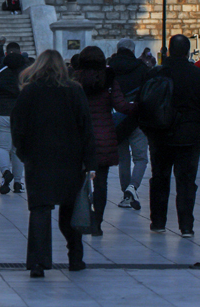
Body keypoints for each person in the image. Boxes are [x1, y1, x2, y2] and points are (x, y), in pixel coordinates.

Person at [12, 49, 94, 277]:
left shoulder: (30, 92)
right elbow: (86, 128)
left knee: (40, 210)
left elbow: (17, 125)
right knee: (70, 210)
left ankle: (38, 262)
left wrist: (23, 152)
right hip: (70, 159)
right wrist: (90, 161)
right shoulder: (74, 91)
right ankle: (75, 258)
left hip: (38, 160)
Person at [147, 34, 200, 238]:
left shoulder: (155, 74)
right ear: (187, 52)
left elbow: (145, 105)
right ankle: (186, 226)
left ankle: (158, 222)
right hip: (189, 135)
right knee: (186, 182)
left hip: (160, 134)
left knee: (160, 179)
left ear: (168, 51)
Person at [74, 46, 135, 236]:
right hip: (103, 136)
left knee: (78, 181)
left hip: (79, 136)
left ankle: (80, 219)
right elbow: (121, 106)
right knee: (101, 183)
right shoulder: (109, 80)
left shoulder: (74, 80)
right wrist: (141, 105)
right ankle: (97, 223)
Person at [109, 38, 151, 211]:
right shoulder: (141, 68)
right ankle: (132, 188)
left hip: (116, 117)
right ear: (133, 51)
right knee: (141, 157)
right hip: (137, 117)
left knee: (123, 158)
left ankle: (125, 194)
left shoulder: (109, 69)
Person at [0, 42, 27, 195]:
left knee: (2, 147)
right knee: (17, 150)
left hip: (2, 113)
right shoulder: (27, 70)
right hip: (21, 115)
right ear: (20, 52)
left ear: (6, 54)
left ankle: (5, 173)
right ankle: (18, 182)